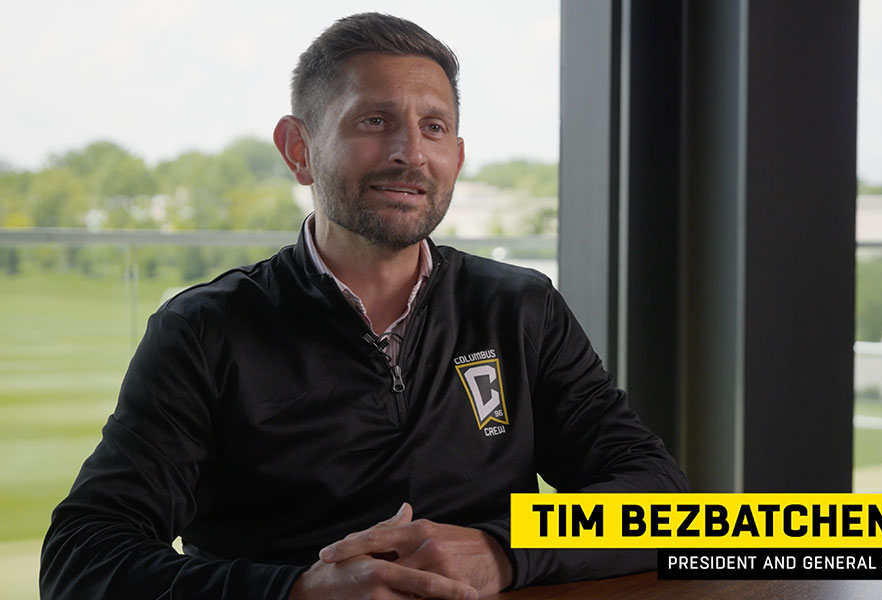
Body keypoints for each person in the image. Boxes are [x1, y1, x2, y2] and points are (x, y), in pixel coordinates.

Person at [40, 12, 689, 600]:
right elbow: (83, 561)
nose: (410, 151)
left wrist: (505, 549)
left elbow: (659, 500)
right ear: (299, 149)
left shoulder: (520, 308)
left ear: (456, 159)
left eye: (433, 127)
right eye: (374, 121)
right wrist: (296, 591)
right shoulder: (206, 331)